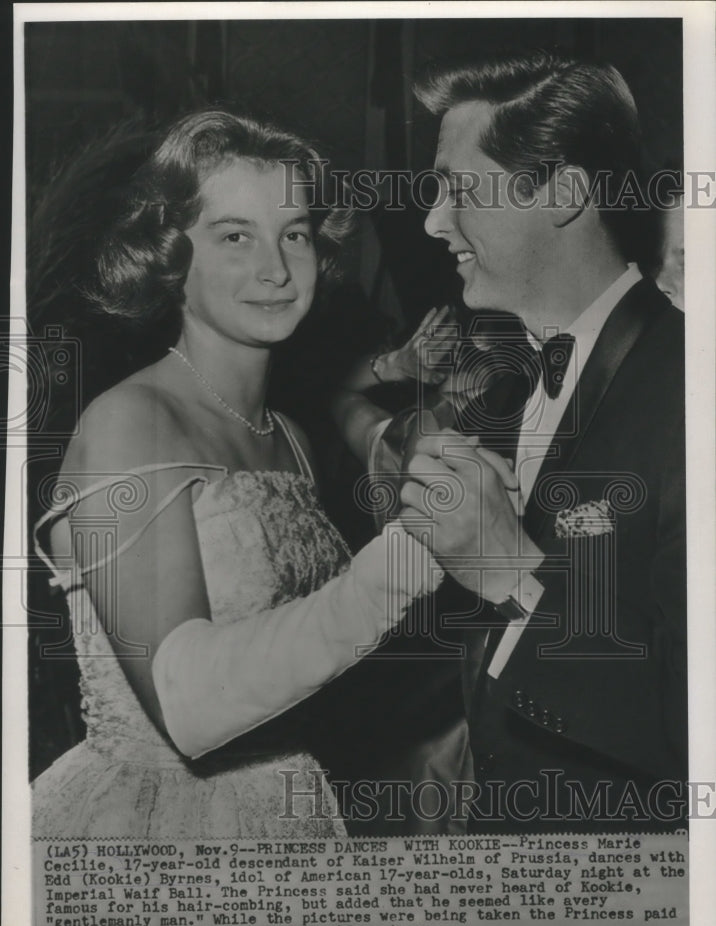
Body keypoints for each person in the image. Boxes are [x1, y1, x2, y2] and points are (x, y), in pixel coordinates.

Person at [31, 110, 444, 839]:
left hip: (294, 807)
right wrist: (419, 550)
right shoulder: (133, 421)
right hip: (157, 825)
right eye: (234, 236)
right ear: (169, 257)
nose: (277, 269)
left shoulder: (284, 433)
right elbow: (190, 706)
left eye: (294, 234)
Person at [336, 51, 687, 832]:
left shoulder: (692, 389)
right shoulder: (509, 382)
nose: (432, 221)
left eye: (460, 189)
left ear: (563, 194)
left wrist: (511, 571)